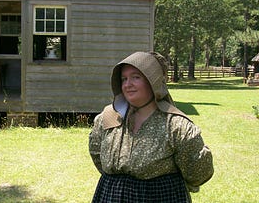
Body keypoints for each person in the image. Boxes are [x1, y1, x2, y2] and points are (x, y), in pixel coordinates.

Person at [89, 51, 214, 202]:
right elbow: (96, 152)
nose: (128, 84)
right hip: (111, 196)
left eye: (136, 77)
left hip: (160, 196)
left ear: (152, 81)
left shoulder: (175, 125)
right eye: (124, 79)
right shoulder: (108, 117)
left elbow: (198, 171)